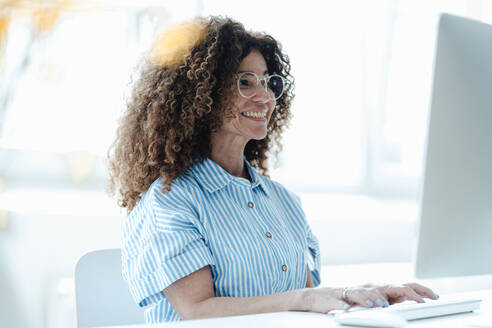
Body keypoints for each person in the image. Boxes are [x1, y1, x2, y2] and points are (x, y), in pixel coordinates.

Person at [108, 16, 438, 323]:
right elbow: (197, 311)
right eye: (246, 82)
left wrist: (364, 298)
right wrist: (309, 298)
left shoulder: (283, 202)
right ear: (201, 96)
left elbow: (304, 303)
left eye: (268, 82)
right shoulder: (170, 203)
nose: (265, 96)